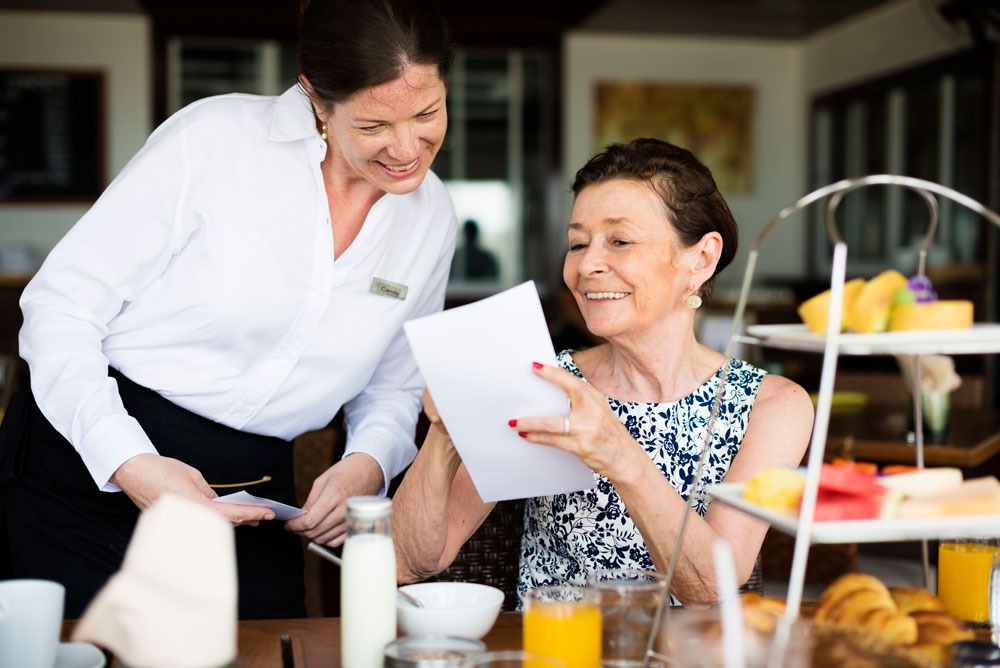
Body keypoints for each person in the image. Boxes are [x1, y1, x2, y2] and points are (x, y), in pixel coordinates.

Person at [0, 0, 457, 619]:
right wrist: (128, 462)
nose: (408, 148)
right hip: (93, 464)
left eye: (428, 113)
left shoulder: (432, 218)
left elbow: (397, 385)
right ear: (316, 100)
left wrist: (367, 462)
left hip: (256, 496)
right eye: (375, 125)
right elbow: (60, 309)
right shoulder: (213, 142)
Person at [392, 138, 814, 608]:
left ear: (701, 259)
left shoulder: (772, 406)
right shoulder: (539, 383)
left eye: (620, 241)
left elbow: (710, 589)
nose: (587, 265)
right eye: (577, 243)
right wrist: (444, 434)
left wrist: (618, 454)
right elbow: (411, 561)